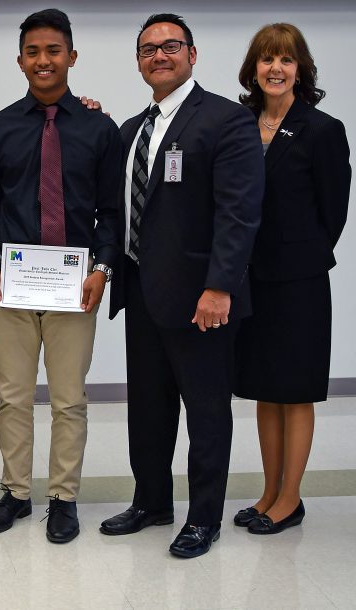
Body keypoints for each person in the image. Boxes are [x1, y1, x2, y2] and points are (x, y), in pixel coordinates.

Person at [100, 13, 263, 558]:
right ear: (139, 61)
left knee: (206, 409)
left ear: (192, 55)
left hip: (201, 300)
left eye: (171, 46)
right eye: (148, 49)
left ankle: (203, 517)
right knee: (147, 406)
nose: (159, 56)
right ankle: (152, 501)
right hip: (142, 292)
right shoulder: (131, 130)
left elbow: (238, 214)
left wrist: (220, 287)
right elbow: (117, 209)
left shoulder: (224, 120)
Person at [0, 9, 121, 544]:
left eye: (53, 51)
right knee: (12, 397)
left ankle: (63, 497)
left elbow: (113, 211)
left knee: (68, 399)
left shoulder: (98, 128)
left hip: (74, 286)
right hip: (10, 286)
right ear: (20, 61)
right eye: (33, 52)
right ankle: (15, 492)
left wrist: (102, 269)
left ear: (71, 57)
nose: (43, 61)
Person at [232, 23, 350, 535]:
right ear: (253, 69)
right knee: (264, 388)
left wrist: (298, 253)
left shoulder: (322, 130)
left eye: (285, 59)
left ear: (300, 70)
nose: (275, 68)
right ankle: (268, 491)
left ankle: (291, 497)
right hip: (249, 279)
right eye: (266, 59)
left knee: (295, 391)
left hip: (298, 281)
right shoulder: (239, 124)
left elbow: (334, 212)